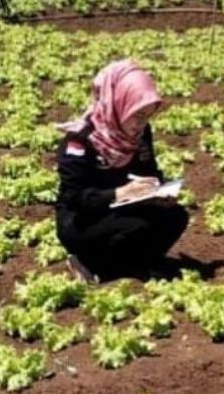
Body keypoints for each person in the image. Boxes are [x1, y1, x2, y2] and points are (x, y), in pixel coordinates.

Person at [55, 59, 188, 283]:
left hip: (124, 207)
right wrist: (120, 194)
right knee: (138, 226)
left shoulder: (141, 134)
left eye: (146, 115)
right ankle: (89, 263)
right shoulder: (80, 141)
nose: (140, 123)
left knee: (176, 217)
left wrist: (158, 192)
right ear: (118, 104)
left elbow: (149, 170)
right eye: (136, 115)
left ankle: (133, 265)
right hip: (82, 220)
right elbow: (74, 198)